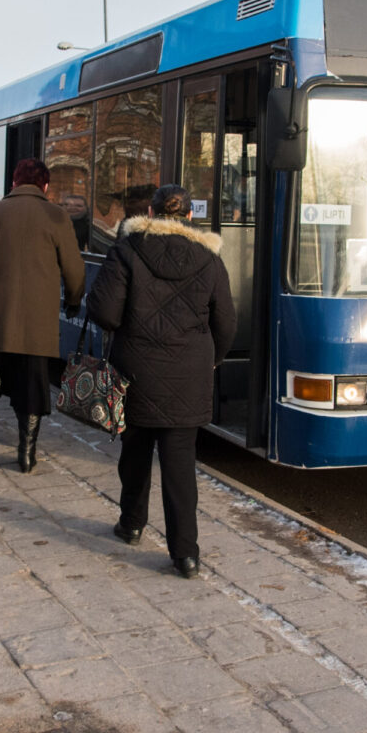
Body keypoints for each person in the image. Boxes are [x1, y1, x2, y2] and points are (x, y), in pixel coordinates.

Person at [86, 184, 235, 579]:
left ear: (149, 214)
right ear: (189, 217)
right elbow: (226, 323)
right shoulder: (210, 258)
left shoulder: (127, 249)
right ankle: (185, 554)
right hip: (188, 375)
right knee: (180, 465)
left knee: (134, 452)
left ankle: (132, 523)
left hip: (135, 369)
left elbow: (104, 312)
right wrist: (210, 359)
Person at [0, 158, 85, 473]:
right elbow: (73, 266)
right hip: (39, 319)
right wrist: (73, 299)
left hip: (2, 315)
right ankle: (27, 450)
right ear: (45, 185)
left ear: (14, 182)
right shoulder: (56, 216)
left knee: (5, 374)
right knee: (33, 382)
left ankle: (1, 407)